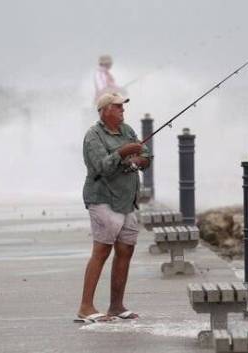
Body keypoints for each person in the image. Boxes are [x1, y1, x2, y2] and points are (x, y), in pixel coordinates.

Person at [77, 92, 151, 323]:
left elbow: (145, 154)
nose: (122, 111)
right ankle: (86, 307)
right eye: (118, 107)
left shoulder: (127, 130)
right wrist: (123, 152)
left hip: (127, 200)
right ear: (105, 110)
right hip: (102, 199)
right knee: (101, 251)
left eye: (122, 107)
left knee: (125, 250)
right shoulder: (93, 136)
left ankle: (116, 306)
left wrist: (140, 160)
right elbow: (101, 167)